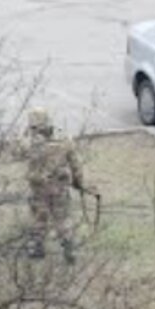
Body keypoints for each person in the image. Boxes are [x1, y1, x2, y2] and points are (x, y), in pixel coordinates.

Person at [25, 108, 98, 264]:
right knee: (63, 218)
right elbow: (75, 164)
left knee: (39, 217)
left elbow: (16, 152)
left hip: (39, 187)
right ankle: (69, 247)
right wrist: (79, 182)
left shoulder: (30, 142)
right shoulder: (64, 139)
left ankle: (36, 248)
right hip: (59, 187)